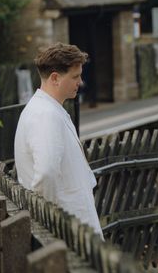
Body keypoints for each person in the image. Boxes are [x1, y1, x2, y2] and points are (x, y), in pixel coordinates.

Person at [14, 43, 103, 238]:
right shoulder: (45, 115)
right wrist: (52, 221)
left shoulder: (46, 109)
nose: (80, 81)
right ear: (55, 78)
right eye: (75, 76)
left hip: (71, 224)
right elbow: (46, 173)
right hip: (68, 228)